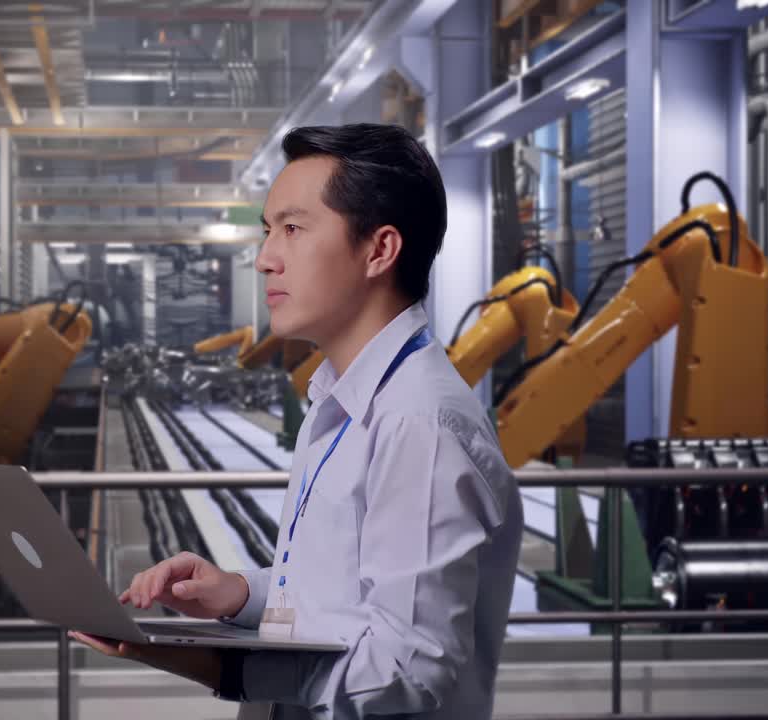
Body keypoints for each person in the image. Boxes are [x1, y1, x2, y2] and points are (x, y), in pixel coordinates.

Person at [72, 123, 523, 719]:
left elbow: (406, 670)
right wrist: (239, 595)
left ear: (379, 250)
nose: (264, 259)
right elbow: (340, 600)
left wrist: (213, 664)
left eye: (292, 228)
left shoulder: (419, 425)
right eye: (267, 232)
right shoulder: (341, 402)